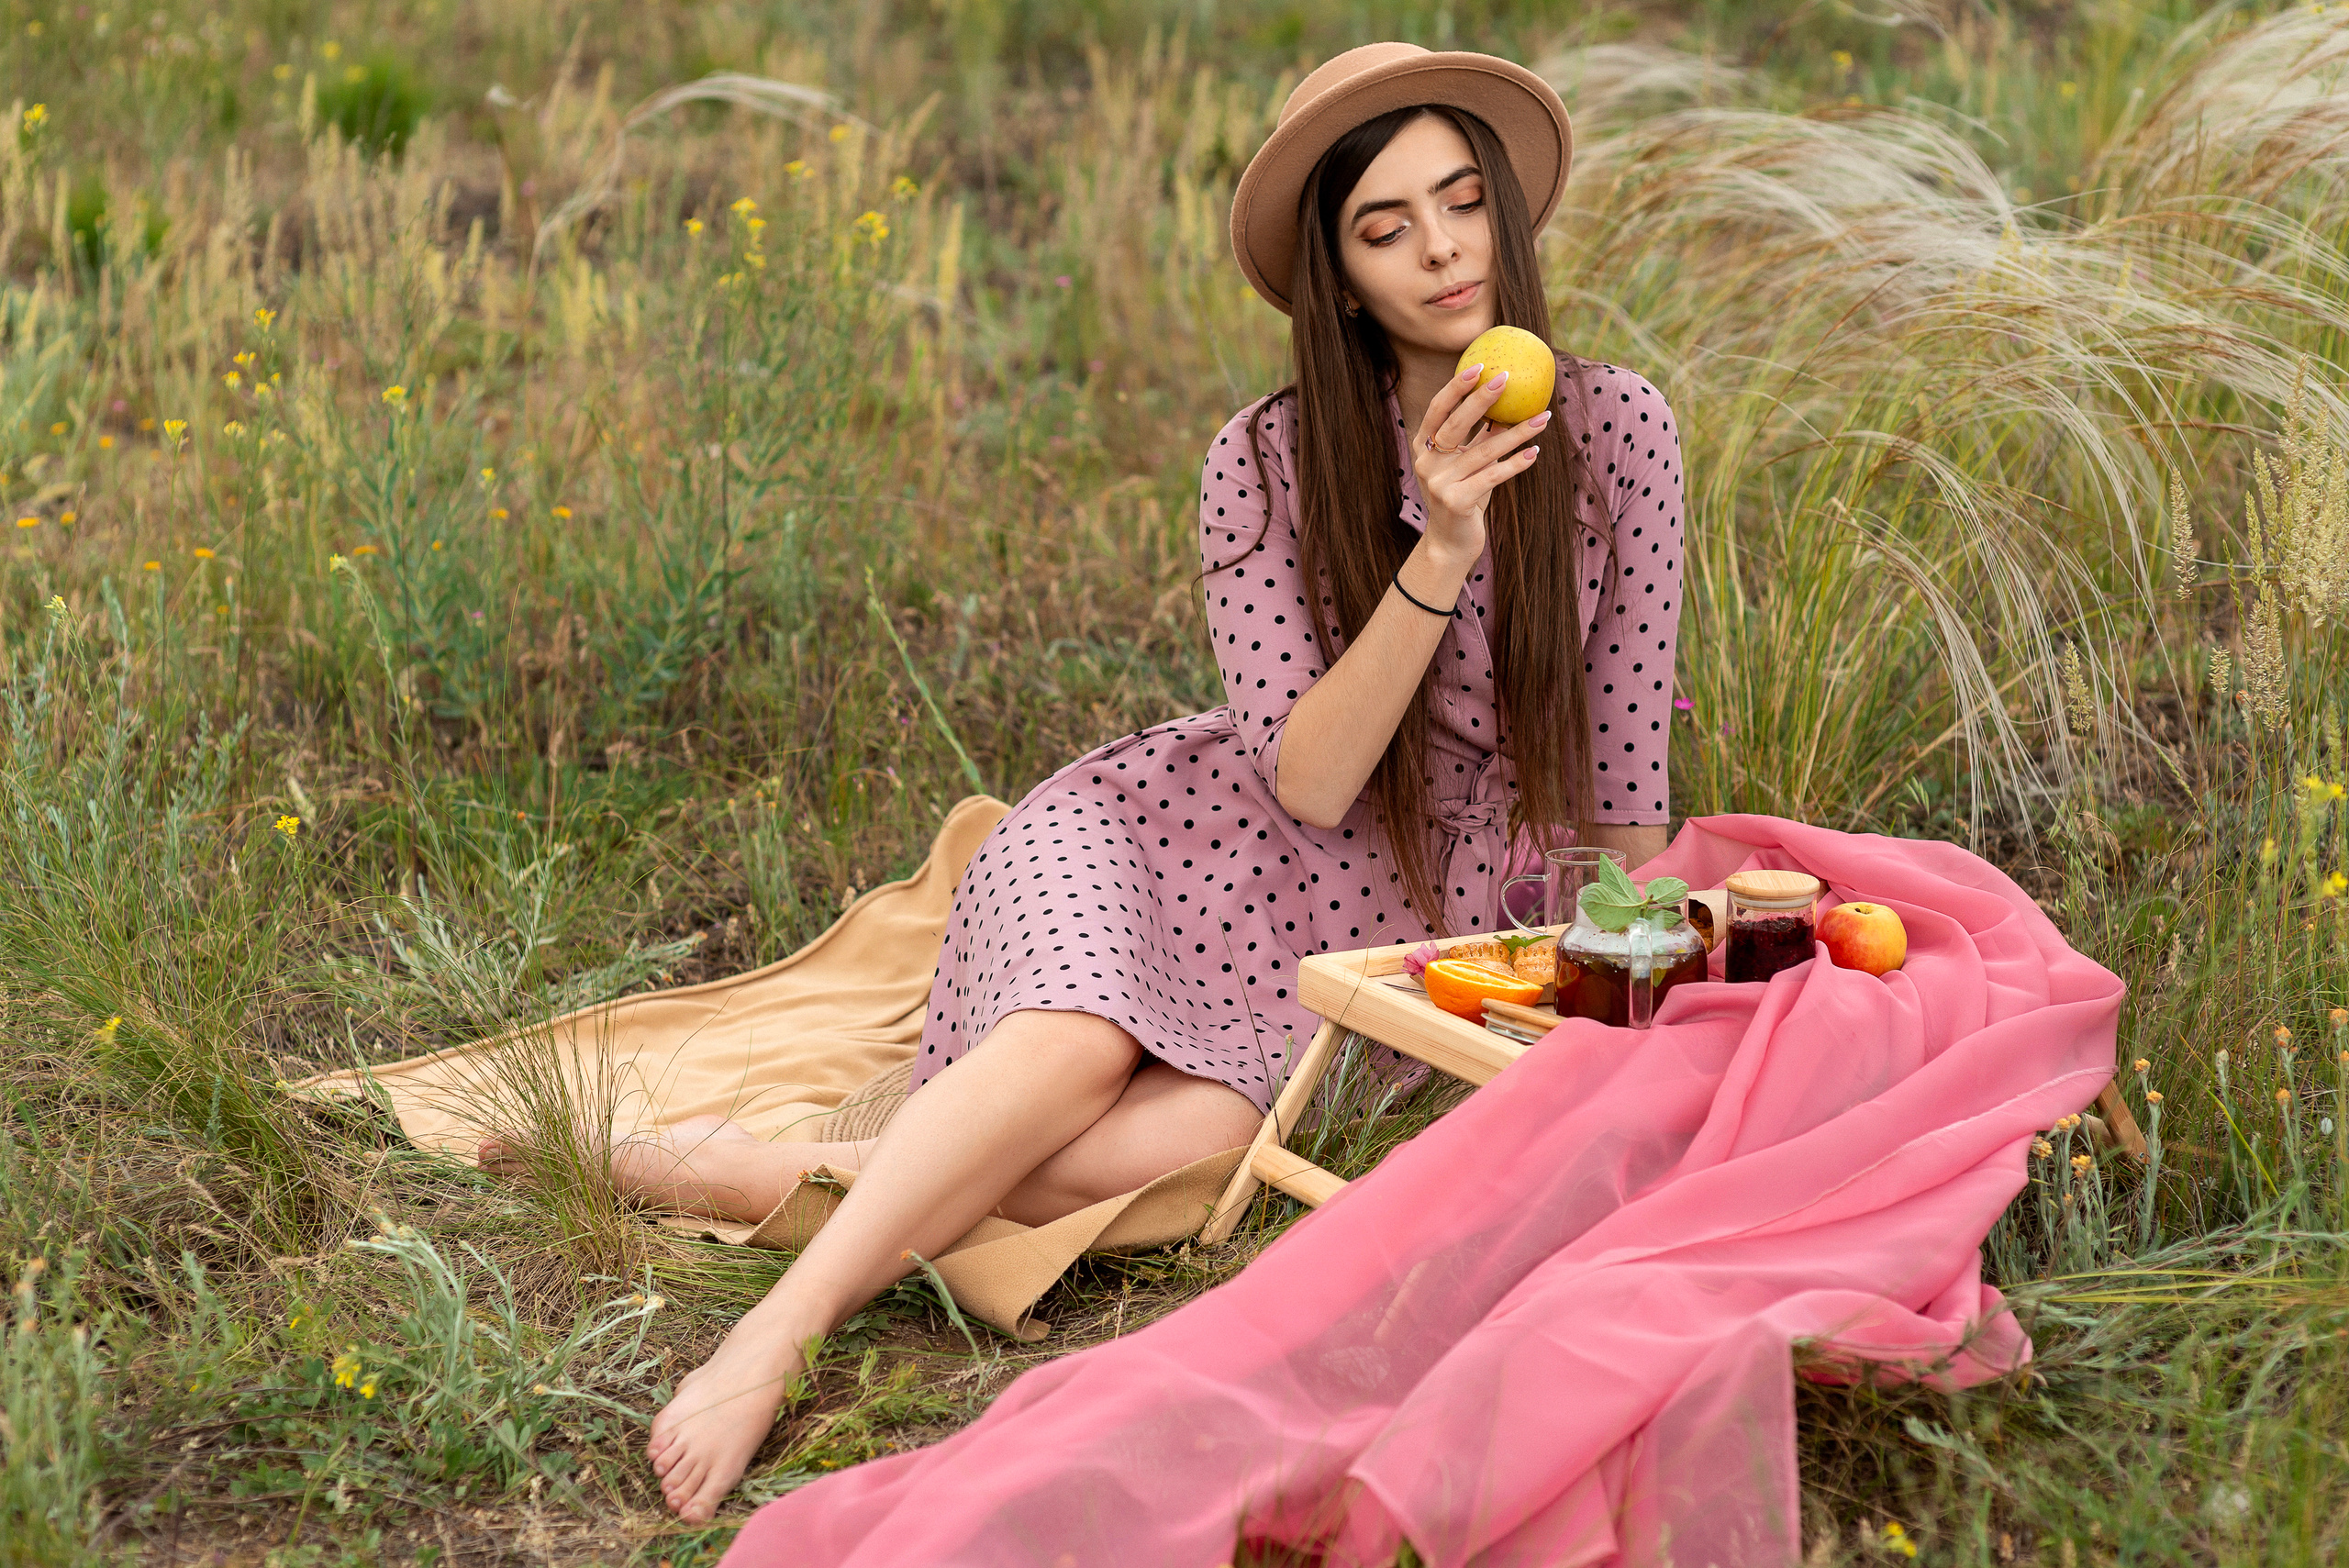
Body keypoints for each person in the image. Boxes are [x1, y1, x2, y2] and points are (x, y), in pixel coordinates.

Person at [537, 42, 1684, 1525]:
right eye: (1387, 226)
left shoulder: (1622, 433)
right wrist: (1443, 545)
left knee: (1182, 1157)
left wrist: (1639, 966)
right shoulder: (1262, 466)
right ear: (1338, 276)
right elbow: (1315, 781)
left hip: (1394, 919)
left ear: (1507, 220)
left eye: (1461, 203)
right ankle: (777, 1331)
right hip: (1179, 841)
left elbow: (1625, 755)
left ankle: (756, 1169)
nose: (1443, 249)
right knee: (1072, 1056)